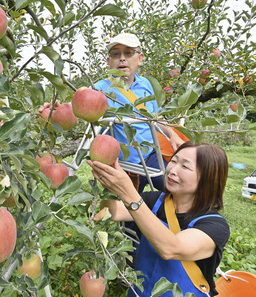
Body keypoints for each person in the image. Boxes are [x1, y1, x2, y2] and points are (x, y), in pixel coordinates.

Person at [88, 141, 230, 297]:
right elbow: (111, 212)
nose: (173, 170)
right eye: (173, 161)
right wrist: (109, 184)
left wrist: (129, 193)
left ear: (208, 178)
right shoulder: (155, 201)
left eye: (185, 167)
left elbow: (171, 249)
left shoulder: (214, 225)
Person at [94, 32, 183, 192]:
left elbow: (155, 117)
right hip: (123, 163)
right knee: (128, 211)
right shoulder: (99, 89)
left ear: (140, 59)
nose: (122, 58)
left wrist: (172, 134)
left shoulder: (146, 84)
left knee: (175, 192)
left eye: (128, 53)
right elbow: (79, 106)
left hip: (151, 154)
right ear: (109, 62)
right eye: (115, 54)